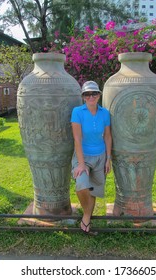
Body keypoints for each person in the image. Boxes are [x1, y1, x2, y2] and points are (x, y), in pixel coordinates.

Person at [71, 81, 112, 235]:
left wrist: (108, 158)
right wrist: (81, 164)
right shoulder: (77, 112)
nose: (91, 97)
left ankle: (86, 219)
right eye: (87, 94)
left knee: (93, 189)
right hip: (83, 155)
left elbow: (107, 136)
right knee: (82, 184)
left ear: (99, 95)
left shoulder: (105, 113)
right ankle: (87, 215)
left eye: (94, 93)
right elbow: (77, 139)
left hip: (100, 156)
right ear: (83, 97)